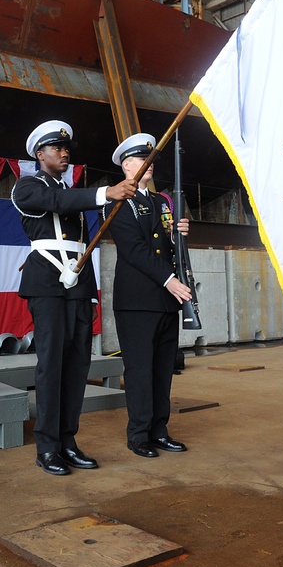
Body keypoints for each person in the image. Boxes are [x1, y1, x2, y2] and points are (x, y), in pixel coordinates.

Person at [11, 121, 136, 475]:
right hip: (48, 283)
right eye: (56, 148)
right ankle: (47, 446)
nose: (64, 153)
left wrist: (120, 196)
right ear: (40, 154)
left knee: (77, 365)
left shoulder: (73, 191)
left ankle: (67, 440)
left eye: (67, 149)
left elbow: (75, 209)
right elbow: (56, 202)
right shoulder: (27, 187)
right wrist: (104, 193)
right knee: (51, 367)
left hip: (78, 283)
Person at [105, 133, 191, 459]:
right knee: (140, 369)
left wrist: (181, 235)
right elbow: (135, 251)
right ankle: (139, 434)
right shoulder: (117, 203)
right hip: (138, 300)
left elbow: (169, 248)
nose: (149, 164)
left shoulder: (163, 202)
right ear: (127, 166)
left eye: (151, 159)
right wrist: (168, 280)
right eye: (143, 159)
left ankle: (160, 430)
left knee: (162, 368)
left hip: (166, 301)